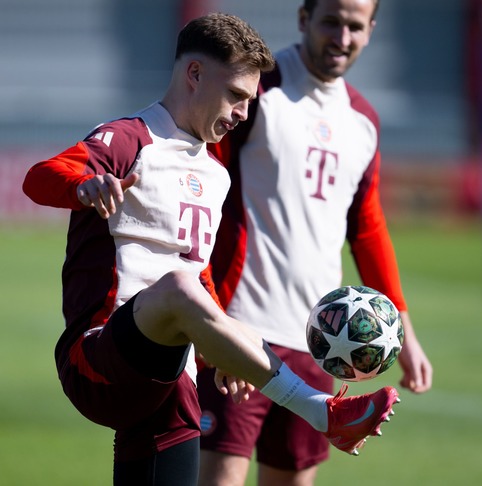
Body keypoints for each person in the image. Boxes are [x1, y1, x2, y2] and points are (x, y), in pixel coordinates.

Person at [22, 13, 399, 486]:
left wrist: (221, 349)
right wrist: (85, 185)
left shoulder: (216, 175)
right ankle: (321, 411)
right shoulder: (129, 139)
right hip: (100, 359)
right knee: (177, 288)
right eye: (237, 96)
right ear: (194, 75)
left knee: (187, 288)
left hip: (170, 379)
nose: (243, 112)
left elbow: (200, 277)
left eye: (250, 100)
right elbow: (38, 178)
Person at [196, 1, 433, 485]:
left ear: (370, 30)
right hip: (240, 331)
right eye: (331, 22)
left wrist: (404, 335)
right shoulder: (259, 89)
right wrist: (212, 320)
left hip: (322, 341)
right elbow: (203, 184)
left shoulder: (363, 120)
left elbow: (365, 228)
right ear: (304, 19)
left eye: (354, 26)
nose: (341, 37)